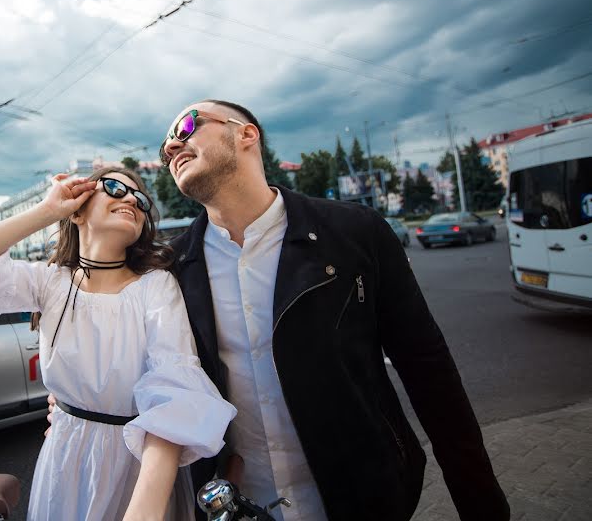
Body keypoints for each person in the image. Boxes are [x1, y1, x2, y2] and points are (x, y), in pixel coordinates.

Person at [153, 100, 509, 520]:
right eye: (165, 148)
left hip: (366, 496)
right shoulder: (172, 268)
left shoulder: (354, 232)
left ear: (246, 134)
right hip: (241, 505)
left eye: (187, 126)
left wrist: (480, 500)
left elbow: (427, 368)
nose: (173, 147)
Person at [0, 166, 236, 521]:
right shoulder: (49, 282)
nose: (131, 198)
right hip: (64, 457)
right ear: (79, 209)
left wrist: (145, 510)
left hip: (139, 462)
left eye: (140, 198)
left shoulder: (155, 285)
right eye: (114, 188)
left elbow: (176, 391)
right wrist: (46, 211)